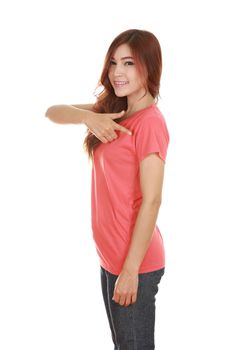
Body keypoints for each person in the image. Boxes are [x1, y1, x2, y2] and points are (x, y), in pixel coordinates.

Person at [45, 28, 170, 349]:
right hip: (110, 256)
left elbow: (152, 201)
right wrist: (88, 118)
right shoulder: (114, 110)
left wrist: (130, 270)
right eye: (113, 62)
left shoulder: (149, 122)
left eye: (129, 63)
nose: (117, 72)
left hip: (135, 263)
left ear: (149, 67)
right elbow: (52, 112)